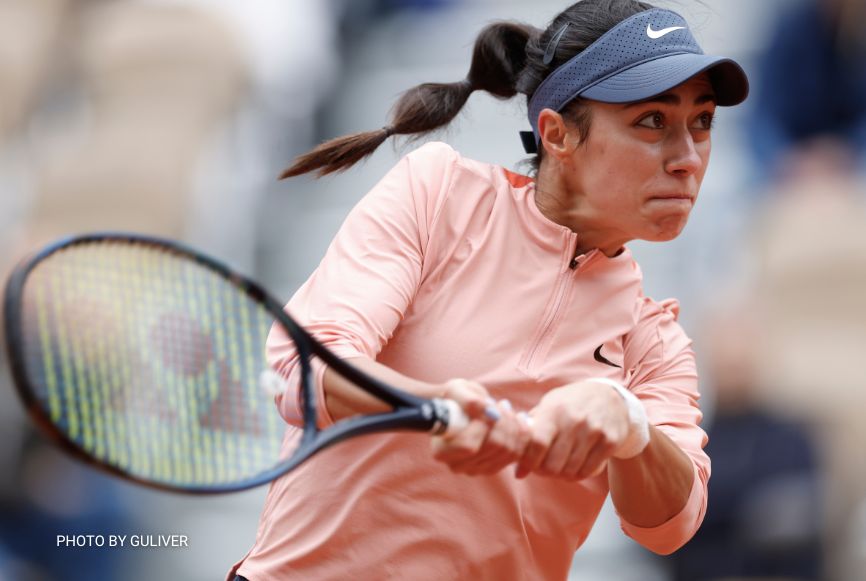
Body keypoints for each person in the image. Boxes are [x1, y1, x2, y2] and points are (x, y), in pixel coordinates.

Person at [228, 1, 749, 579]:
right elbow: (305, 367)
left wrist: (628, 423)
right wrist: (432, 407)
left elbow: (670, 525)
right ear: (557, 135)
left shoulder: (655, 340)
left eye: (702, 122)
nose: (687, 158)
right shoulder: (440, 195)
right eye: (652, 120)